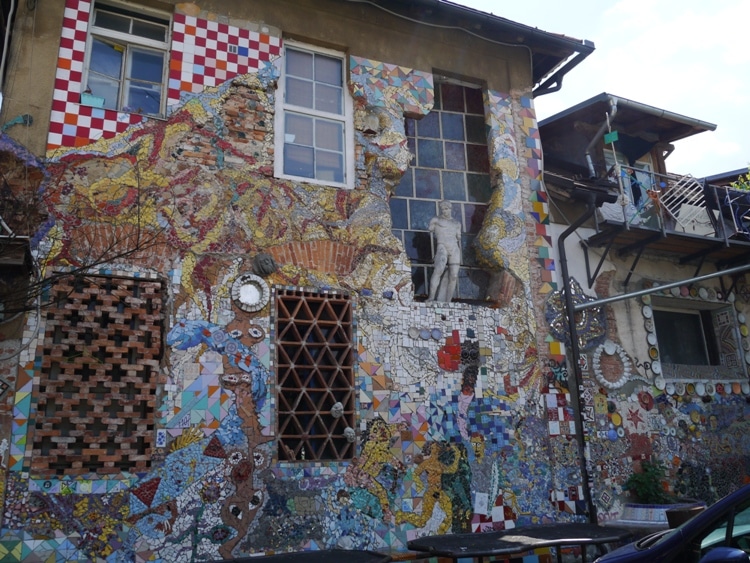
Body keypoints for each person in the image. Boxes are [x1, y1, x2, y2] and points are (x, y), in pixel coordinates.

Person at [427, 200, 462, 302]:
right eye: (442, 209)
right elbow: (430, 230)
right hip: (442, 246)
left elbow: (458, 237)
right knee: (439, 269)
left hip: (454, 248)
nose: (444, 211)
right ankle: (431, 297)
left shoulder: (457, 223)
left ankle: (448, 300)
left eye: (446, 209)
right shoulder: (436, 220)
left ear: (450, 209)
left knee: (454, 275)